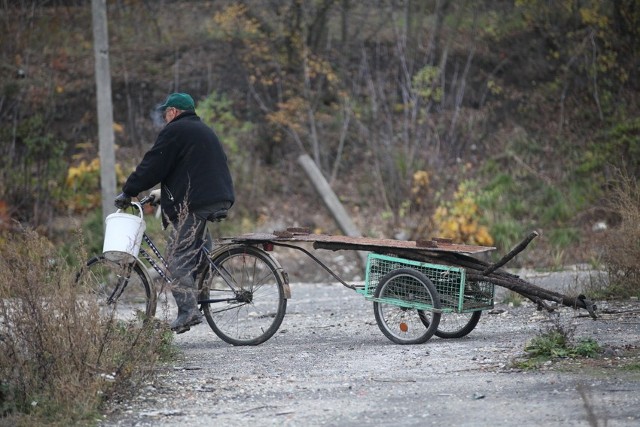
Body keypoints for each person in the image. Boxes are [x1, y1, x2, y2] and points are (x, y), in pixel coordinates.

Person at [114, 92, 235, 333]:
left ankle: (188, 311)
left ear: (174, 112)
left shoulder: (176, 131)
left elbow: (153, 165)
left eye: (166, 112)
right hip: (215, 197)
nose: (164, 117)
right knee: (198, 253)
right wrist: (162, 193)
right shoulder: (201, 130)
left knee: (176, 258)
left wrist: (129, 191)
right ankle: (201, 288)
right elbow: (188, 169)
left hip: (197, 203)